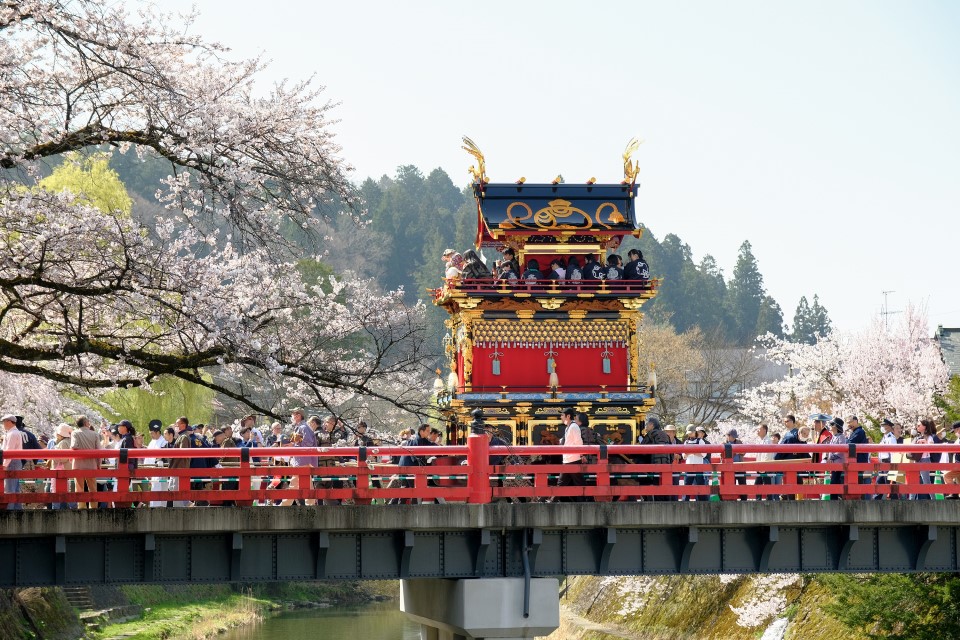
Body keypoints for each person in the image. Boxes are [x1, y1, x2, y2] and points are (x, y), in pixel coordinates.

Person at [69, 415, 100, 509]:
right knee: (93, 488)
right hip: (91, 464)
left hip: (78, 464)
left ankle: (81, 507)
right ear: (86, 423)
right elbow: (99, 451)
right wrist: (98, 464)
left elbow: (74, 446)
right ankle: (93, 507)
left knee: (79, 488)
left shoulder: (75, 433)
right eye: (88, 421)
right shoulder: (95, 434)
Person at [641, 417, 673, 502]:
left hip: (655, 465)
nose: (646, 427)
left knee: (657, 486)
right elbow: (672, 452)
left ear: (652, 425)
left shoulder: (651, 434)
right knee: (666, 486)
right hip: (667, 465)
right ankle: (667, 506)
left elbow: (642, 451)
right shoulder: (665, 435)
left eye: (647, 425)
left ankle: (658, 504)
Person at [556, 408, 584, 501]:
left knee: (577, 483)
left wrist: (581, 455)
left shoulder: (574, 427)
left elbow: (579, 442)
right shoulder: (568, 427)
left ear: (568, 416)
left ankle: (553, 500)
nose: (561, 417)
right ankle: (553, 500)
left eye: (562, 415)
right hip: (568, 459)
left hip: (573, 459)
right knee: (563, 482)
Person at [2, 414, 25, 510]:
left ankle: (10, 510)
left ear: (9, 422)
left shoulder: (12, 433)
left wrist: (4, 465)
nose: (3, 424)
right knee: (15, 487)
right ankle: (17, 509)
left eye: (4, 422)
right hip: (15, 461)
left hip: (12, 462)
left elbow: (9, 450)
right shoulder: (14, 432)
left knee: (10, 488)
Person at [845, 415, 871, 499]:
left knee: (859, 480)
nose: (849, 424)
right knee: (858, 480)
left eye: (850, 422)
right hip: (858, 460)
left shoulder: (859, 432)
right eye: (848, 423)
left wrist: (845, 439)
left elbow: (849, 443)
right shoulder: (855, 432)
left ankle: (860, 499)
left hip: (859, 460)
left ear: (856, 421)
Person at [823, 418, 848, 498]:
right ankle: (834, 498)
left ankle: (835, 499)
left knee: (835, 481)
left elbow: (841, 451)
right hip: (834, 464)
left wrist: (831, 457)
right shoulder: (833, 437)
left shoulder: (841, 437)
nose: (830, 426)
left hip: (838, 463)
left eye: (832, 424)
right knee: (834, 481)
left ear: (836, 427)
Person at [683, 425, 708, 501]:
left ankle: (703, 502)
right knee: (687, 485)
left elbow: (704, 454)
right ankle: (684, 502)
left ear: (695, 432)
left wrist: (691, 452)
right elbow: (684, 456)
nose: (690, 434)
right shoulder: (686, 442)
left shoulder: (700, 441)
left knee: (700, 486)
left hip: (698, 467)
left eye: (691, 433)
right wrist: (694, 452)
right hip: (688, 467)